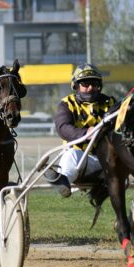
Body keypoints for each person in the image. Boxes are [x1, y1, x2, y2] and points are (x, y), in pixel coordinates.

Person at [49, 63, 116, 198]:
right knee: (71, 154)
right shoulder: (67, 103)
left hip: (108, 161)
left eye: (95, 84)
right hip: (80, 161)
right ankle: (63, 182)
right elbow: (63, 128)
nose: (91, 88)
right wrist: (86, 133)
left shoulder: (110, 103)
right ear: (76, 86)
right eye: (85, 84)